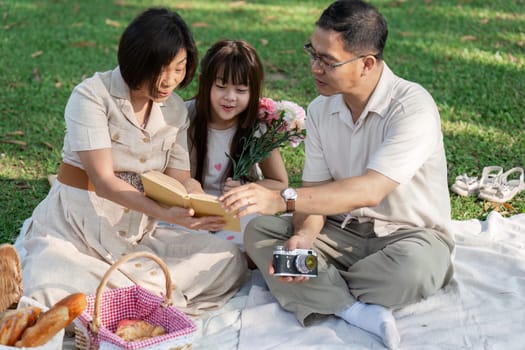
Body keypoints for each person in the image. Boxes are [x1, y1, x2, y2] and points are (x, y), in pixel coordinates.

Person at [221, 1, 454, 349]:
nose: (314, 67)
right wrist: (303, 237)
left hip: (407, 237)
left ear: (367, 64)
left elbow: (371, 190)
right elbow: (316, 194)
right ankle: (355, 310)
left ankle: (318, 289)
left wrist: (281, 199)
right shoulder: (320, 110)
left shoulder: (412, 106)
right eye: (312, 54)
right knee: (259, 234)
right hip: (337, 232)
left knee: (412, 272)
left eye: (327, 61)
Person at [18, 7, 247, 316]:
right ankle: (134, 301)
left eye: (179, 69)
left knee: (228, 260)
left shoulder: (174, 109)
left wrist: (200, 201)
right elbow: (104, 182)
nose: (169, 81)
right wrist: (168, 213)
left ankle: (123, 303)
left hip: (139, 234)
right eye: (161, 70)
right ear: (136, 62)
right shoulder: (91, 97)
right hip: (77, 229)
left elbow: (180, 176)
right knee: (52, 279)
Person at [184, 39, 288, 248]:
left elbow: (280, 182)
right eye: (221, 87)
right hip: (191, 210)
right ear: (205, 83)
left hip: (235, 213)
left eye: (241, 91)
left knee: (258, 238)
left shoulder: (257, 128)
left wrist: (247, 188)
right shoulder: (185, 117)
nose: (230, 98)